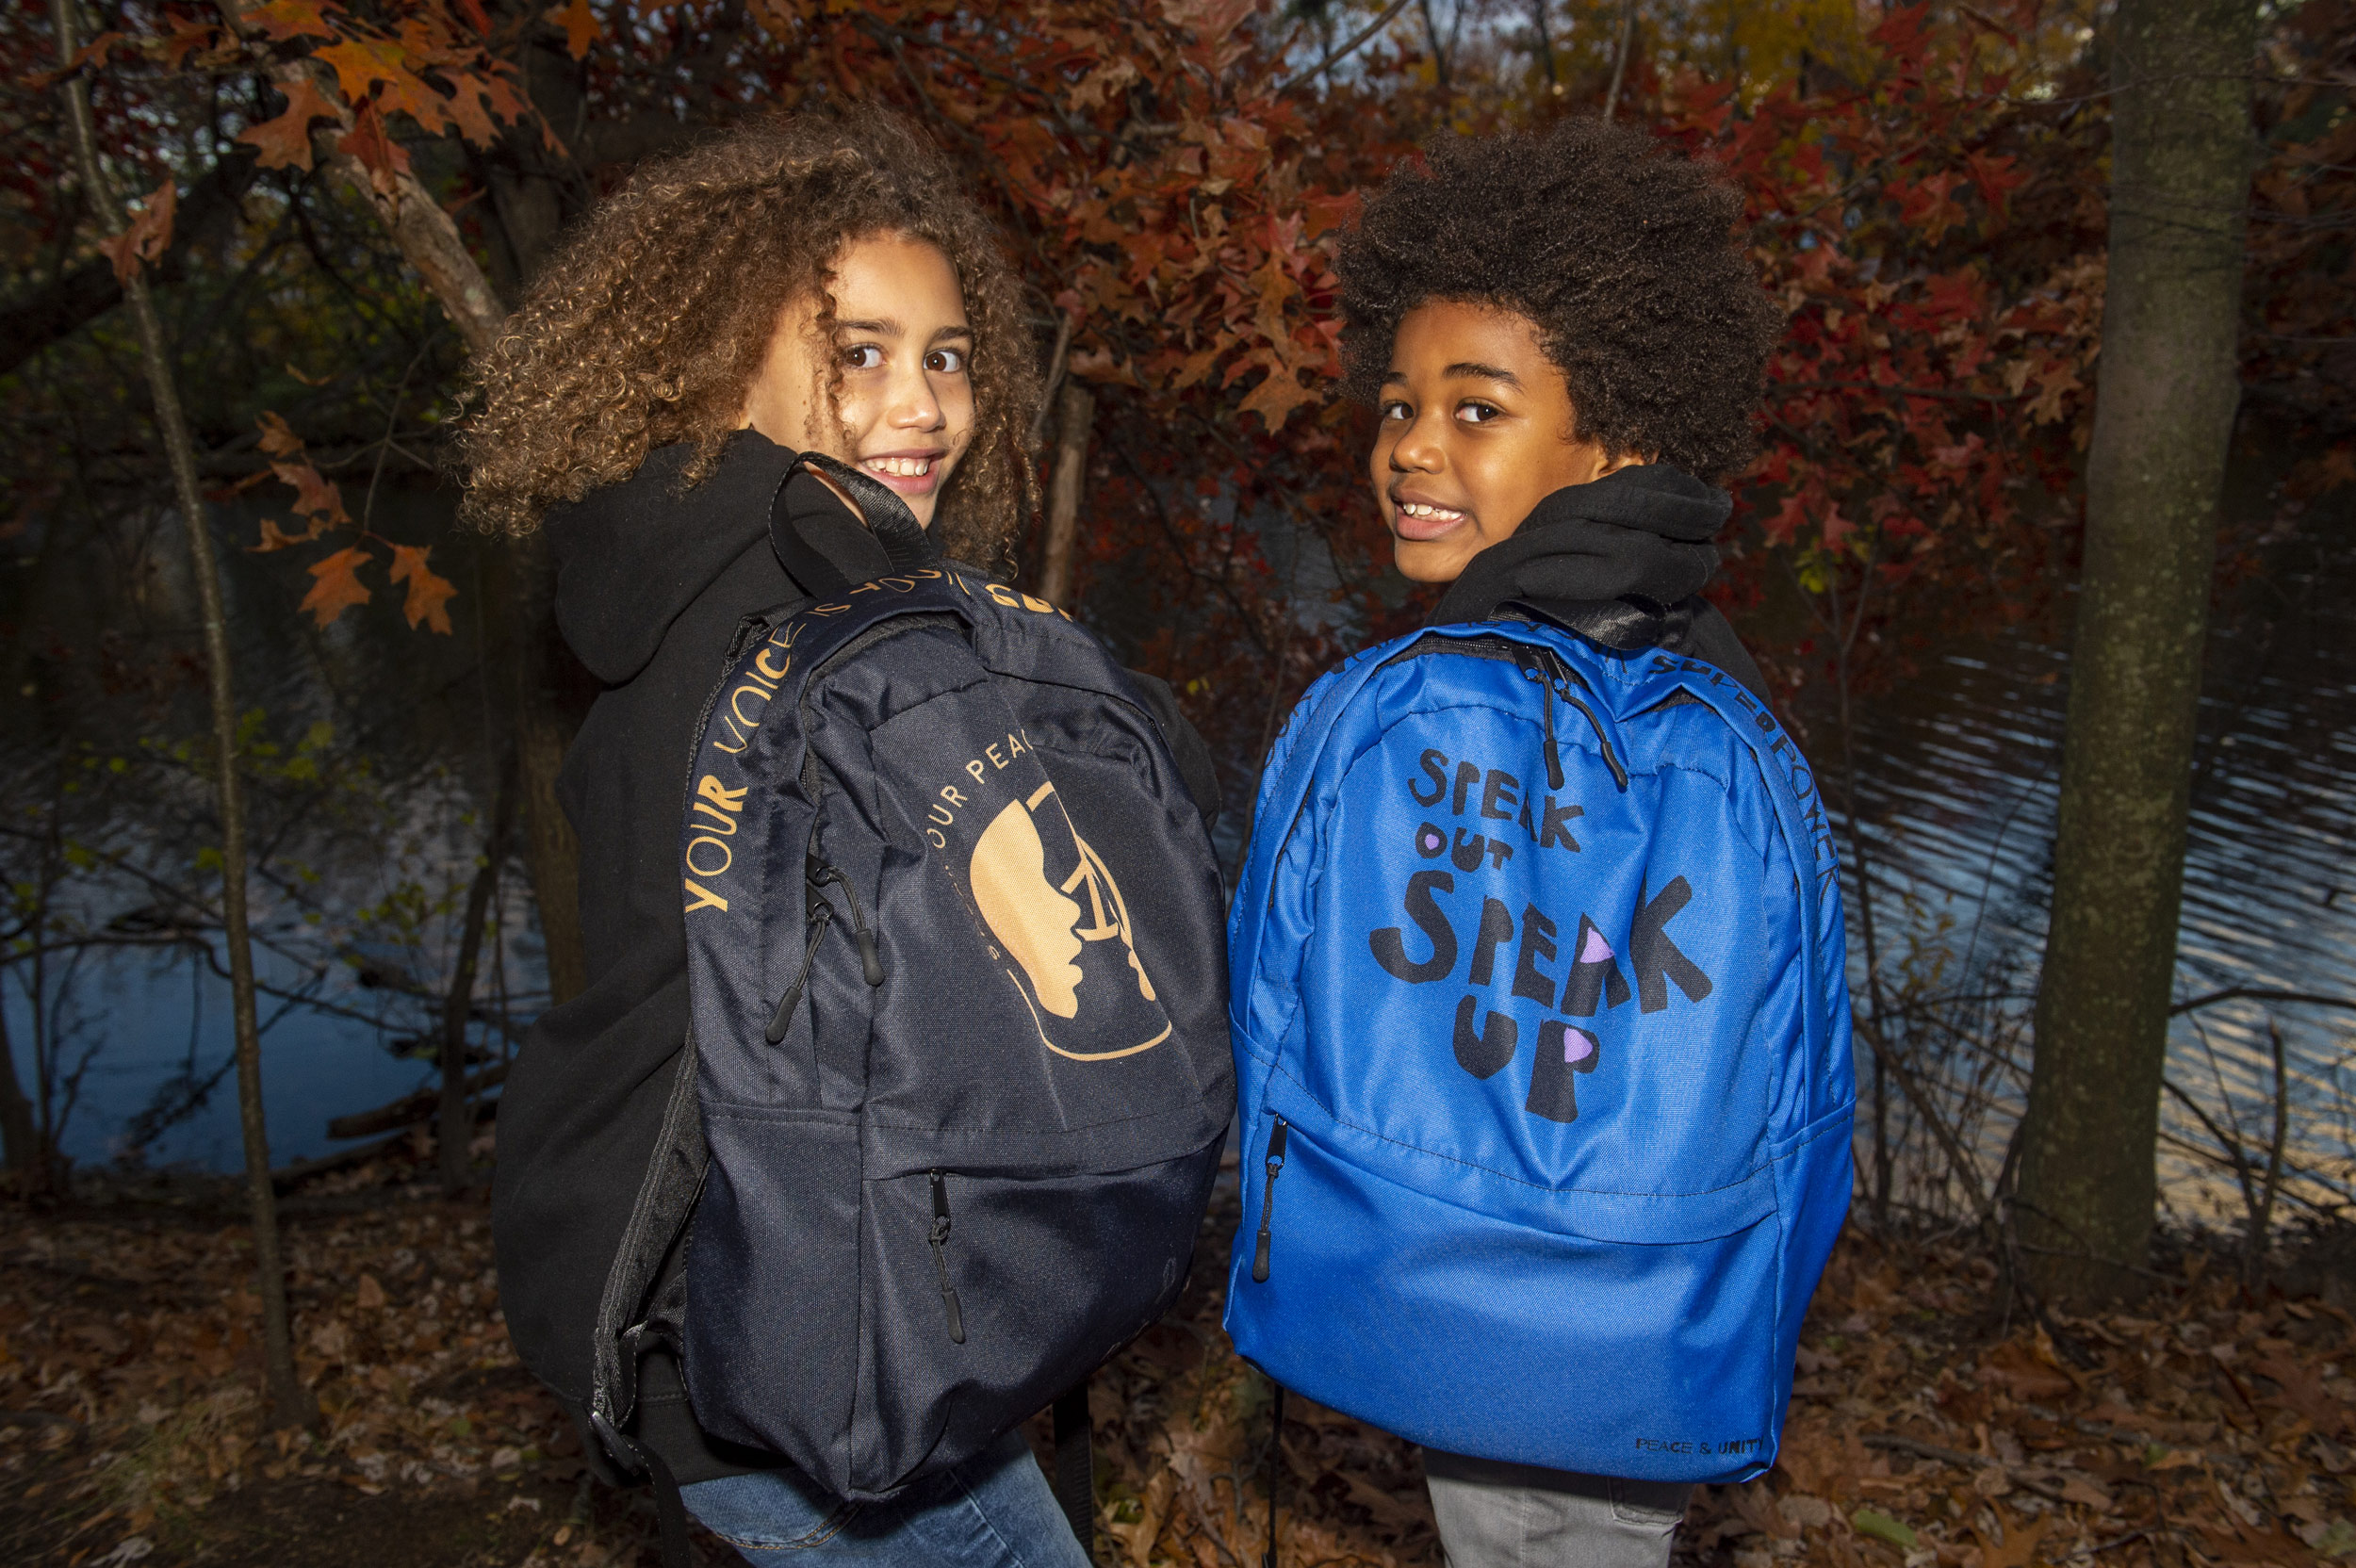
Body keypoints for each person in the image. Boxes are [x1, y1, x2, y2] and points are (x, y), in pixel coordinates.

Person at [461, 107, 1213, 1568]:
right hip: (791, 1337)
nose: (920, 404)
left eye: (946, 355)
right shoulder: (813, 642)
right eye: (857, 353)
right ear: (708, 363)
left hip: (671, 1290)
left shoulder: (663, 585)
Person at [1323, 118, 1787, 1567]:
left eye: (1477, 410)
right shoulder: (1663, 657)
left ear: (1615, 438)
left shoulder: (1562, 701)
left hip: (1548, 1331)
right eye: (1401, 404)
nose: (1411, 445)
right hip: (1607, 1314)